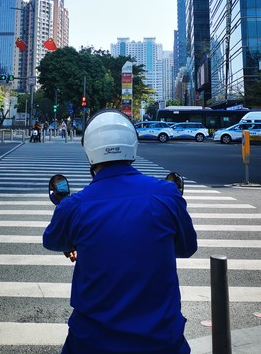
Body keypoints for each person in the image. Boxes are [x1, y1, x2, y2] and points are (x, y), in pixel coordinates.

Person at [42, 109, 197, 354]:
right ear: (132, 145)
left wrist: (75, 244)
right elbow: (187, 248)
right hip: (162, 340)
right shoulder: (167, 195)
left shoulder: (74, 206)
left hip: (92, 342)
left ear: (90, 152)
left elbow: (52, 240)